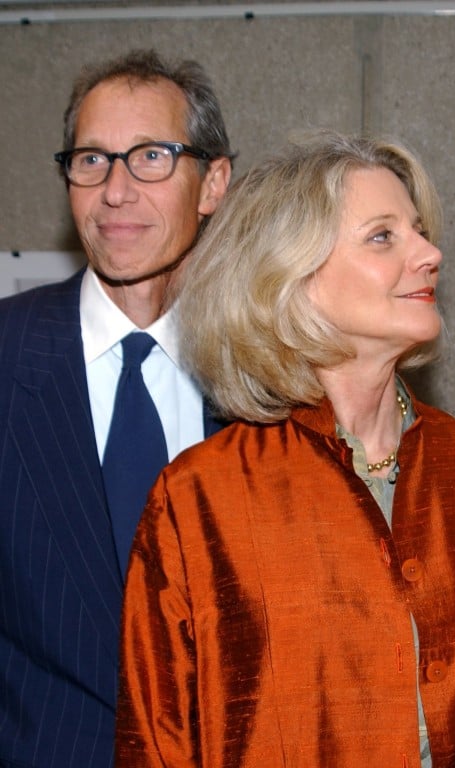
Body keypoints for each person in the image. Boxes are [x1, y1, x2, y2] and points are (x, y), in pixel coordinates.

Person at [114, 130, 455, 767]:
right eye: (383, 236)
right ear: (292, 278)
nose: (430, 253)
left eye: (418, 231)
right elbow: (156, 747)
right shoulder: (200, 499)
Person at [0, 49, 233, 767]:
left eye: (152, 157)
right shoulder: (8, 357)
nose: (116, 191)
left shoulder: (272, 378)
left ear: (213, 183)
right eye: (92, 160)